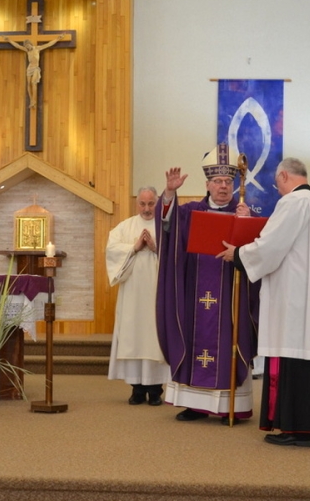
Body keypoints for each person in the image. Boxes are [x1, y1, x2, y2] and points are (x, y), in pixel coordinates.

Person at [217, 157, 310, 447]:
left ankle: (297, 428)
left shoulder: (293, 203)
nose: (278, 190)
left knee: (293, 357)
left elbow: (271, 245)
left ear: (285, 176)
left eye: (277, 184)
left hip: (296, 301)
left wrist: (238, 255)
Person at [156, 144, 259, 424]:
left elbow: (258, 253)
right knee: (194, 341)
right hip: (195, 294)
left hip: (230, 294)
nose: (223, 186)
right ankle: (194, 404)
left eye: (228, 181)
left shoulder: (243, 214)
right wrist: (169, 193)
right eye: (217, 181)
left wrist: (247, 226)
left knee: (229, 340)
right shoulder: (190, 212)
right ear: (207, 184)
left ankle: (231, 406)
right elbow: (166, 225)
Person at [106, 186, 171, 405]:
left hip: (156, 292)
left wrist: (155, 247)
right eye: (142, 203)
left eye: (151, 203)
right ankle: (136, 389)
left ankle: (155, 391)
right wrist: (134, 247)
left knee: (154, 336)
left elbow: (175, 254)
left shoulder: (165, 226)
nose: (146, 208)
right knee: (133, 335)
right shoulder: (125, 226)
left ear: (157, 202)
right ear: (137, 204)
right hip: (132, 293)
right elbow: (111, 250)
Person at [3, 34, 67, 109]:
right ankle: (31, 100)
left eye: (28, 46)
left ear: (30, 44)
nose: (27, 47)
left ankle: (34, 101)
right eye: (26, 47)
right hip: (29, 68)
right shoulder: (27, 50)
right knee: (28, 84)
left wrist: (57, 39)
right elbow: (17, 46)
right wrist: (9, 40)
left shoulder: (37, 48)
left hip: (36, 68)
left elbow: (48, 44)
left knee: (34, 83)